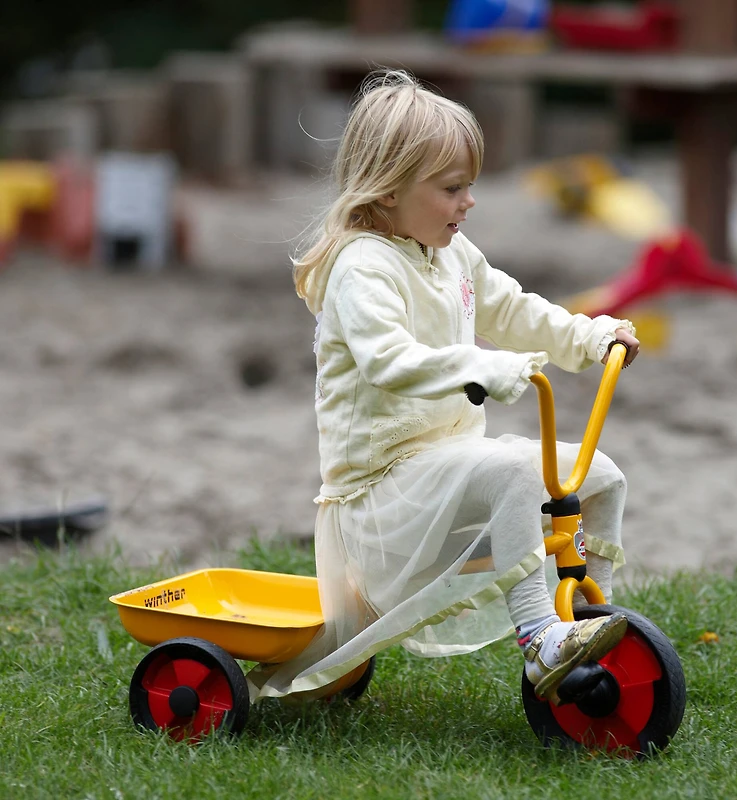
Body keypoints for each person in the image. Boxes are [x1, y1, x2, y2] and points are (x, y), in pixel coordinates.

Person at [247, 70, 639, 705]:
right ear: (388, 190)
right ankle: (541, 638)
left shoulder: (453, 254)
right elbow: (388, 360)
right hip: (380, 495)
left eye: (469, 186)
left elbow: (511, 309)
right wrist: (480, 366)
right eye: (453, 188)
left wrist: (588, 337)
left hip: (443, 472)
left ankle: (593, 622)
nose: (469, 202)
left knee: (602, 477)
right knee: (514, 472)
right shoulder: (362, 267)